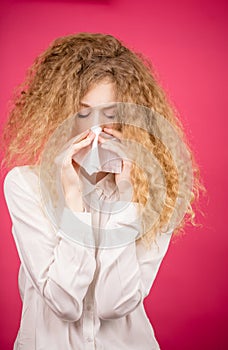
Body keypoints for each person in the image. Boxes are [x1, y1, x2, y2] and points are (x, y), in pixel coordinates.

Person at [1, 33, 205, 350]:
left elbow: (114, 303)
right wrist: (73, 202)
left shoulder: (155, 191)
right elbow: (64, 302)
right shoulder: (24, 185)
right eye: (82, 114)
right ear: (56, 114)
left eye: (110, 115)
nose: (96, 132)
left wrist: (125, 198)